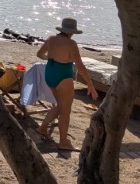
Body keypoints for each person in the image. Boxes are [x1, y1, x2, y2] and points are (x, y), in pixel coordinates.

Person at [35, 17, 97, 151]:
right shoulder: (71, 43)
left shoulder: (51, 39)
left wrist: (51, 58)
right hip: (63, 75)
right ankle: (63, 141)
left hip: (50, 72)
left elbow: (39, 54)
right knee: (65, 110)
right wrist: (90, 84)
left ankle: (42, 128)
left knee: (60, 105)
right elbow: (80, 65)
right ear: (72, 31)